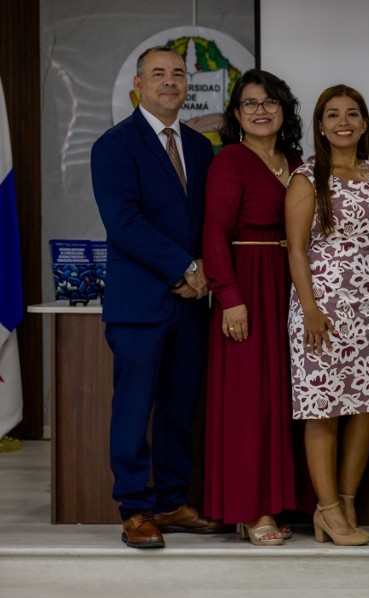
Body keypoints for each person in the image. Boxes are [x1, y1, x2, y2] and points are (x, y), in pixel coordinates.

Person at [91, 46, 223, 549]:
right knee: (134, 408)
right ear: (139, 84)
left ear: (187, 84)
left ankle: (170, 500)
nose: (170, 81)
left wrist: (203, 269)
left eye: (178, 73)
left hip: (190, 304)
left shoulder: (201, 147)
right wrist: (185, 268)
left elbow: (206, 220)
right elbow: (124, 223)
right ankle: (134, 508)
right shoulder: (114, 146)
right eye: (158, 73)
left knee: (178, 408)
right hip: (139, 304)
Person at [285, 84, 369, 546]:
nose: (343, 122)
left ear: (364, 123)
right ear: (320, 125)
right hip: (324, 308)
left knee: (368, 408)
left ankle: (347, 502)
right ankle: (327, 510)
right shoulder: (306, 177)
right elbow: (296, 249)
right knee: (323, 410)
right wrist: (310, 309)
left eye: (352, 114)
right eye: (333, 115)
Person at [201, 69, 307, 546]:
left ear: (283, 109)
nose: (260, 110)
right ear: (237, 113)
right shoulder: (229, 161)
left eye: (270, 102)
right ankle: (250, 509)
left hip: (291, 284)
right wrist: (230, 297)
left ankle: (282, 500)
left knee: (285, 397)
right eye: (250, 103)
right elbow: (214, 233)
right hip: (248, 284)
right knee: (249, 401)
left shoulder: (297, 162)